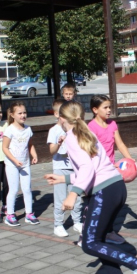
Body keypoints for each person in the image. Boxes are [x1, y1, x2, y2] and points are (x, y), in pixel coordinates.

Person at [44, 101, 137, 274]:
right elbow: (93, 169)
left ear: (61, 119)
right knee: (100, 240)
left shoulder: (71, 137)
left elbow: (87, 169)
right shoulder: (86, 132)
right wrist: (64, 179)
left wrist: (73, 194)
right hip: (115, 187)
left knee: (89, 244)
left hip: (104, 191)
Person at [88, 94, 134, 245]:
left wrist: (130, 160)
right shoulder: (91, 127)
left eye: (109, 107)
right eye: (105, 107)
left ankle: (108, 232)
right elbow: (91, 152)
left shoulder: (112, 124)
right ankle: (95, 232)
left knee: (118, 200)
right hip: (98, 170)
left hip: (112, 169)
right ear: (95, 109)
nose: (109, 110)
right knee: (98, 203)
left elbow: (120, 144)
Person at [47, 98, 83, 237]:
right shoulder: (54, 130)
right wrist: (59, 142)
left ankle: (77, 221)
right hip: (60, 168)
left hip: (75, 167)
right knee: (61, 198)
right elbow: (51, 151)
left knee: (77, 196)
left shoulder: (73, 129)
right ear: (58, 115)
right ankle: (58, 224)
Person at [2, 101, 40, 226]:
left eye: (24, 112)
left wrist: (34, 155)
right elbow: (5, 148)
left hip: (25, 164)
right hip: (12, 164)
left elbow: (30, 144)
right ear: (12, 115)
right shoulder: (10, 130)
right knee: (13, 190)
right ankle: (10, 215)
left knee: (27, 189)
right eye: (20, 113)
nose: (23, 115)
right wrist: (14, 160)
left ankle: (29, 213)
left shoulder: (28, 129)